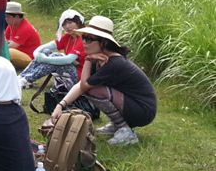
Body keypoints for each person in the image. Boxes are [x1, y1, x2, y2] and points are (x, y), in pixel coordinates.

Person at [49, 16, 157, 146]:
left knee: (92, 90)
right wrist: (60, 105)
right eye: (83, 37)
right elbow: (80, 85)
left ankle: (125, 130)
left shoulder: (114, 63)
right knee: (90, 88)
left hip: (143, 111)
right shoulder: (101, 59)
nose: (84, 42)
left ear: (104, 43)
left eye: (89, 39)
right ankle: (117, 125)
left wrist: (88, 60)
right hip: (133, 104)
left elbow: (84, 86)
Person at [18, 9, 85, 88]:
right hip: (72, 67)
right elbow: (44, 48)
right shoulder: (68, 37)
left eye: (70, 23)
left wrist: (44, 59)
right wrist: (37, 54)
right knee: (46, 52)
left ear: (78, 23)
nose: (67, 26)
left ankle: (26, 80)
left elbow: (68, 60)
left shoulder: (82, 39)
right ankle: (22, 76)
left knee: (56, 57)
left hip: (80, 75)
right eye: (64, 24)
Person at [4, 1, 41, 70]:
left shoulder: (25, 28)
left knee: (9, 52)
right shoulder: (11, 25)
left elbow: (11, 45)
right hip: (21, 54)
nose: (6, 19)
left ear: (17, 16)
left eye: (8, 16)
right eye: (5, 16)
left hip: (31, 59)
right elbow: (5, 40)